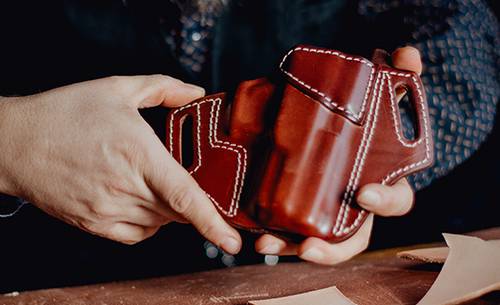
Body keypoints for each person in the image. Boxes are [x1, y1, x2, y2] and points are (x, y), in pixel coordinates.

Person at [0, 0, 498, 291]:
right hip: (68, 272)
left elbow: (462, 36)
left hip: (322, 275)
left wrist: (370, 147)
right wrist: (13, 139)